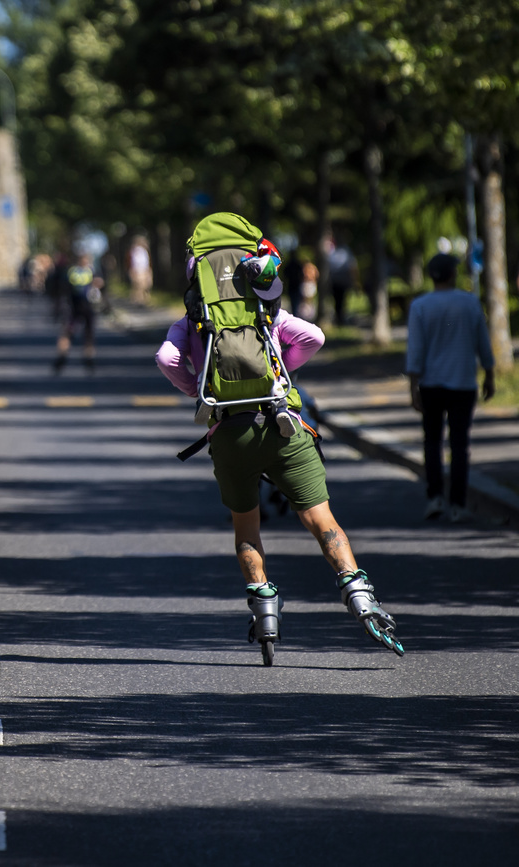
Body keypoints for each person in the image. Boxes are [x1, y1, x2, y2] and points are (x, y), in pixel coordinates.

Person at [156, 221, 402, 661]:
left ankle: (265, 609)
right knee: (321, 520)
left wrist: (196, 384)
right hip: (281, 422)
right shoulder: (265, 315)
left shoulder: (192, 321)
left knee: (246, 528)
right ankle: (360, 595)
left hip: (229, 432)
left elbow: (166, 358)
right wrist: (282, 369)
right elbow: (315, 337)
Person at [406, 253, 496, 523]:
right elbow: (483, 342)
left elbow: (416, 349)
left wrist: (413, 386)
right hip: (463, 382)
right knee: (459, 445)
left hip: (431, 383)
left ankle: (435, 496)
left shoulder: (420, 306)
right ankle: (458, 503)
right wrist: (489, 374)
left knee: (432, 442)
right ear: (452, 274)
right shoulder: (469, 302)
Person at [52, 252, 102, 375]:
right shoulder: (91, 272)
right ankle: (89, 361)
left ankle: (61, 359)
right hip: (87, 308)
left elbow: (62, 287)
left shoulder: (71, 272)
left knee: (67, 334)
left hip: (74, 307)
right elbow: (99, 283)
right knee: (88, 336)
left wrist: (58, 307)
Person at [128, 236, 152, 305]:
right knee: (140, 286)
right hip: (139, 270)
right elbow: (136, 262)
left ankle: (142, 299)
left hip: (143, 270)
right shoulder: (137, 251)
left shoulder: (143, 251)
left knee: (144, 286)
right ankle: (139, 300)